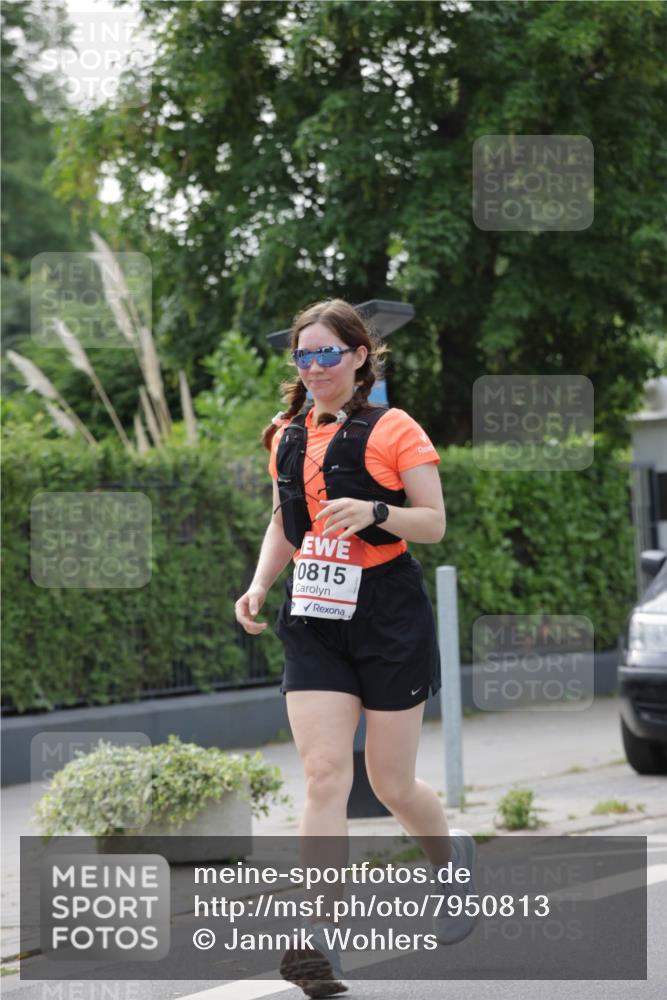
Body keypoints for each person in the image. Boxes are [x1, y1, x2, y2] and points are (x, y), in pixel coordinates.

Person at [235, 299, 478, 999]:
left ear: (359, 356)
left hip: (387, 612)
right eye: (303, 355)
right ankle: (319, 939)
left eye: (327, 353)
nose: (314, 367)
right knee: (322, 777)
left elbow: (432, 523)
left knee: (391, 782)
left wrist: (375, 511)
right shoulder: (284, 434)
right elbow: (285, 521)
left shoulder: (395, 428)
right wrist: (259, 584)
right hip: (314, 613)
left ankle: (449, 859)